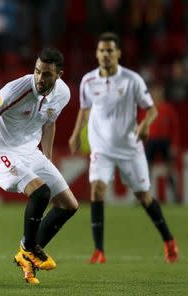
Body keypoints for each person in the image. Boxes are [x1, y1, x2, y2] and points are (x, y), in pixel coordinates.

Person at [0, 47, 79, 284]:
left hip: (29, 151)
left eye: (47, 74)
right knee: (41, 193)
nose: (40, 78)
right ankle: (29, 249)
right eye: (38, 71)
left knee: (69, 205)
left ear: (59, 74)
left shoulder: (63, 94)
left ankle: (25, 253)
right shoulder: (15, 90)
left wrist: (47, 158)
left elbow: (49, 122)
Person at [69, 32, 179, 264]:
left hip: (130, 148)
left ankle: (169, 241)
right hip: (102, 148)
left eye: (110, 50)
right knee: (97, 190)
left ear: (118, 53)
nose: (105, 54)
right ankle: (99, 251)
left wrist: (146, 124)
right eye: (101, 50)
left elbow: (152, 109)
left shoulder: (132, 80)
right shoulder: (88, 81)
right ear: (97, 54)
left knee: (144, 196)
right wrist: (76, 134)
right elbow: (84, 109)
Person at [145, 82, 181, 202]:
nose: (156, 94)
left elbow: (175, 128)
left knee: (169, 169)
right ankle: (143, 197)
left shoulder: (168, 108)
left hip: (165, 141)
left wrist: (174, 145)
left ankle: (176, 197)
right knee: (145, 169)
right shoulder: (148, 108)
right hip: (151, 141)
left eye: (158, 91)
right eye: (154, 91)